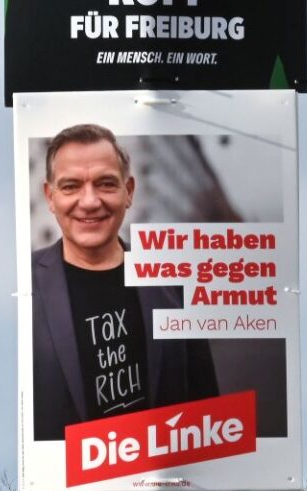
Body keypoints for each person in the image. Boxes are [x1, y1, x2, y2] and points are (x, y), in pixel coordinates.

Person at [30, 123, 218, 443]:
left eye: (105, 184)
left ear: (128, 191)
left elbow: (206, 411)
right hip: (64, 487)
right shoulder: (25, 283)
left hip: (161, 478)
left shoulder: (172, 284)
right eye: (71, 186)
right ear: (50, 196)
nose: (89, 202)